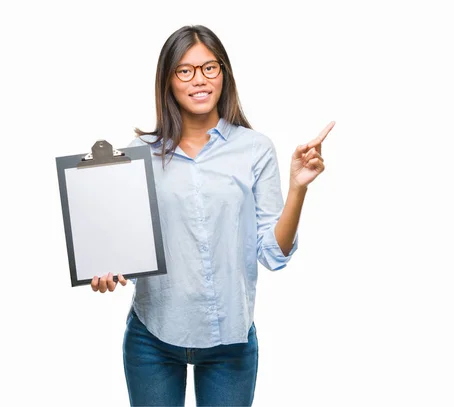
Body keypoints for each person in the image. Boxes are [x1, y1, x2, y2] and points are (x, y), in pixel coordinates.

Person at [90, 24, 334, 406]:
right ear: (168, 80)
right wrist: (107, 267)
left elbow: (274, 254)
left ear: (224, 74)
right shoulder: (138, 154)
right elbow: (128, 249)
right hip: (153, 338)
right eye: (184, 70)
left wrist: (298, 188)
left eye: (210, 68)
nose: (199, 80)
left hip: (230, 343)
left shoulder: (255, 149)